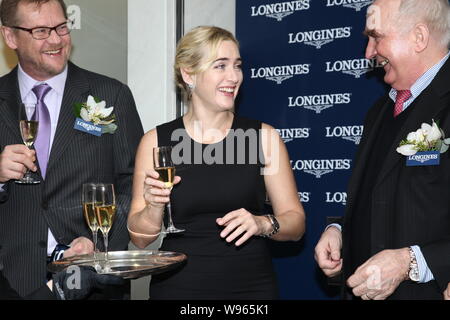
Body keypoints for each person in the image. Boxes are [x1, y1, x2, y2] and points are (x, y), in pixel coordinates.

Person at [127, 26, 306, 299]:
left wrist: (262, 223)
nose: (233, 77)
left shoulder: (264, 137)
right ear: (189, 74)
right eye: (220, 66)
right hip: (178, 286)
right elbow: (140, 239)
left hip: (250, 287)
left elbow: (295, 224)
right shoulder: (155, 141)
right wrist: (153, 207)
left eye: (237, 66)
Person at [0, 0, 143, 297]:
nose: (56, 39)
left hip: (93, 282)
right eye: (41, 31)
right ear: (10, 36)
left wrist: (98, 245)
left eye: (61, 27)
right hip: (13, 281)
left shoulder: (110, 95)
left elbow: (133, 184)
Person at [315, 0, 450, 300]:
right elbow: (383, 198)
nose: (369, 53)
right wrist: (340, 231)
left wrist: (410, 262)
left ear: (419, 37)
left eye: (377, 37)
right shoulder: (380, 110)